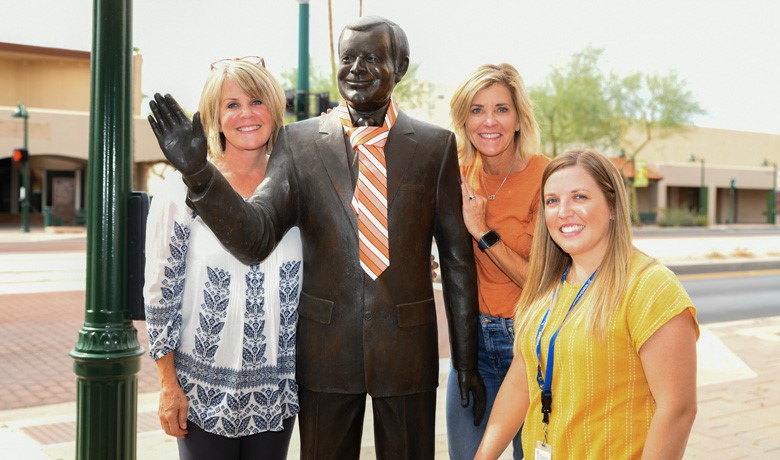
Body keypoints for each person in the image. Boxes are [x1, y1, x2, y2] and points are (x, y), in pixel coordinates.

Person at [147, 15, 485, 460]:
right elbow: (254, 238)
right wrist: (198, 174)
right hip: (324, 353)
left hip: (407, 351)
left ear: (399, 66)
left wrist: (467, 359)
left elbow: (457, 260)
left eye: (372, 57)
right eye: (347, 58)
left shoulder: (435, 145)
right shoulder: (298, 142)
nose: (356, 68)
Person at [475, 149, 699, 459]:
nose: (563, 211)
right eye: (552, 201)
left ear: (612, 206)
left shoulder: (650, 286)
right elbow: (520, 384)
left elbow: (677, 410)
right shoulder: (545, 287)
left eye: (579, 197)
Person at [143, 57, 302, 460]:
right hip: (201, 394)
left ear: (274, 109)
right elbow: (161, 294)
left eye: (257, 101)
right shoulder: (179, 191)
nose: (247, 114)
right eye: (232, 105)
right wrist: (168, 385)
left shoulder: (297, 188)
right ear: (213, 118)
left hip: (277, 392)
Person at [445, 63, 549, 459]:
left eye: (501, 109)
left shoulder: (545, 177)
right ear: (464, 120)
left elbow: (540, 280)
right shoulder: (455, 174)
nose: (489, 121)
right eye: (477, 110)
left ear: (519, 119)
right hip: (471, 345)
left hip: (527, 346)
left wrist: (483, 232)